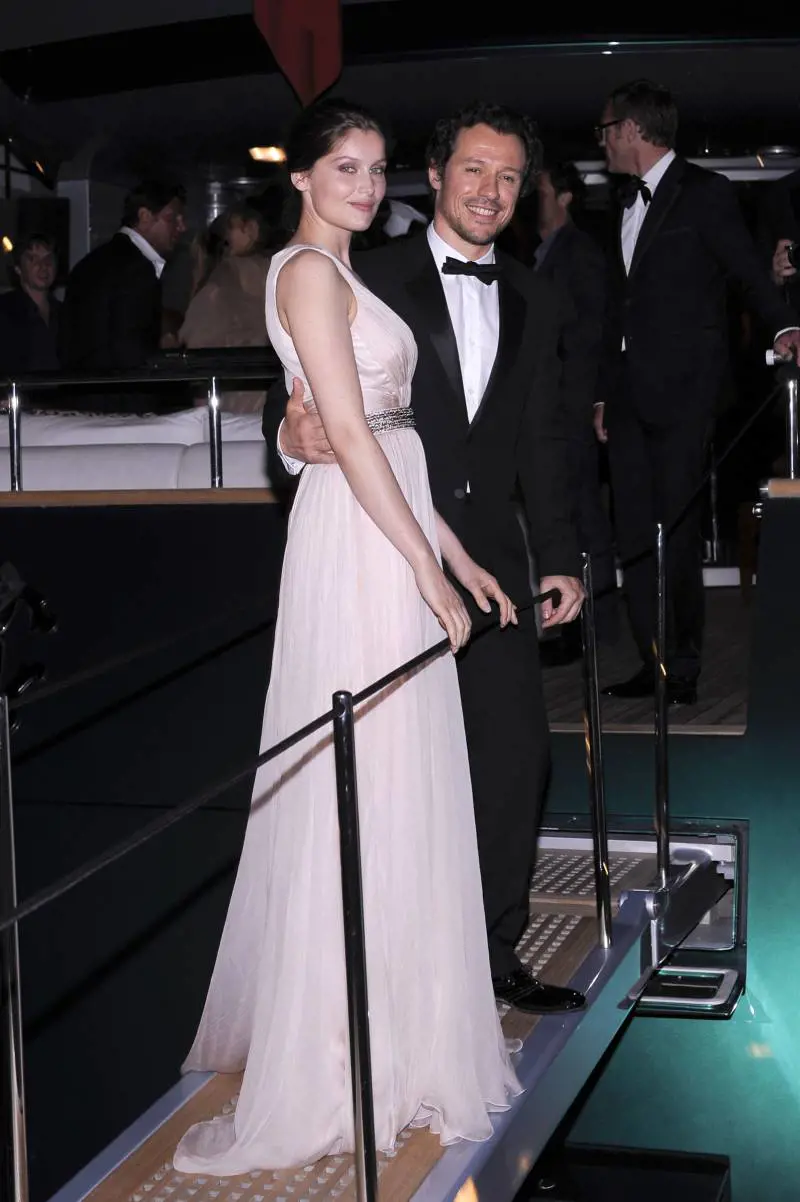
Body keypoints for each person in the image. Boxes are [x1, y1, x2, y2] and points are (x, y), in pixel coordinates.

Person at [174, 99, 522, 1175]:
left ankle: (405, 1036)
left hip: (390, 520)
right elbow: (350, 438)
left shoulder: (345, 273)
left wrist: (456, 555)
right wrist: (422, 566)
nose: (367, 187)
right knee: (361, 780)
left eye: (377, 170)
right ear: (302, 177)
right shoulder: (307, 275)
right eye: (346, 168)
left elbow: (391, 436)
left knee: (399, 780)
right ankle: (342, 1054)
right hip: (359, 545)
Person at [265, 101, 586, 1014]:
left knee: (515, 759)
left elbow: (546, 440)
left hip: (487, 558)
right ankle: (396, 972)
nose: (490, 191)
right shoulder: (364, 270)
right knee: (396, 769)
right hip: (382, 549)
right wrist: (289, 439)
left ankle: (493, 957)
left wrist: (560, 555)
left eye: (510, 178)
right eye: (474, 170)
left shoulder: (537, 296)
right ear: (437, 175)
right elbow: (304, 397)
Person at [595, 79, 800, 704]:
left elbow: (746, 270)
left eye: (606, 129)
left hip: (684, 394)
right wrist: (602, 393)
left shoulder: (705, 192)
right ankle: (651, 659)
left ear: (632, 129)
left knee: (675, 531)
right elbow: (617, 309)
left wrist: (784, 325)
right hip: (625, 398)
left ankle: (680, 667)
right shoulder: (620, 203)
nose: (602, 142)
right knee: (633, 532)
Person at [533, 161, 617, 664]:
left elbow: (590, 337)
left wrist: (582, 404)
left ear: (565, 196)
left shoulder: (578, 252)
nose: (532, 196)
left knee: (583, 518)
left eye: (540, 188)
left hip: (571, 410)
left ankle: (590, 631)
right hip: (555, 409)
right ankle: (577, 629)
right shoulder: (543, 253)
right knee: (566, 515)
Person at [59, 180, 186, 412]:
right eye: (172, 218)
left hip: (82, 406)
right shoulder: (138, 268)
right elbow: (131, 354)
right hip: (122, 411)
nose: (182, 227)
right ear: (145, 216)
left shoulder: (88, 263)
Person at [0, 233, 61, 378]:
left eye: (48, 258)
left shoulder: (65, 312)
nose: (44, 266)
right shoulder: (4, 311)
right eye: (33, 259)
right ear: (18, 268)